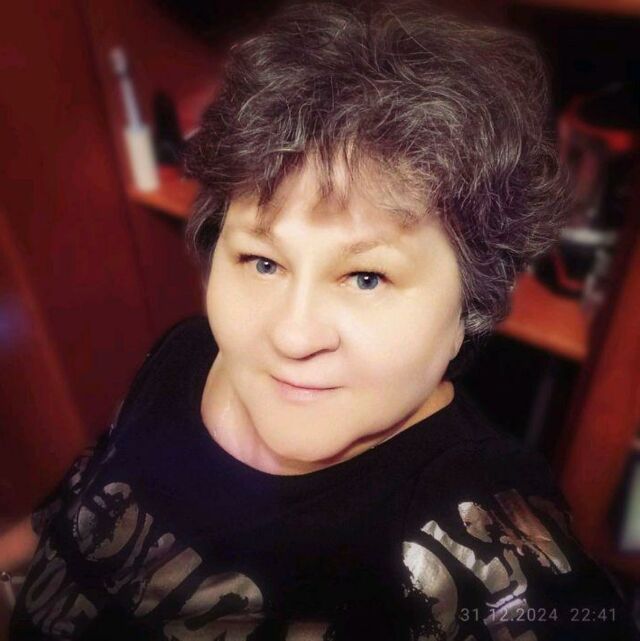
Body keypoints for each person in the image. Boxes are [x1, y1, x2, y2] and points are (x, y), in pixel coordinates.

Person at [8, 1, 639, 639]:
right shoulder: (186, 353)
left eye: (366, 277)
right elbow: (73, 518)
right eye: (262, 262)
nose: (291, 335)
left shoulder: (482, 540)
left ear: (469, 304)